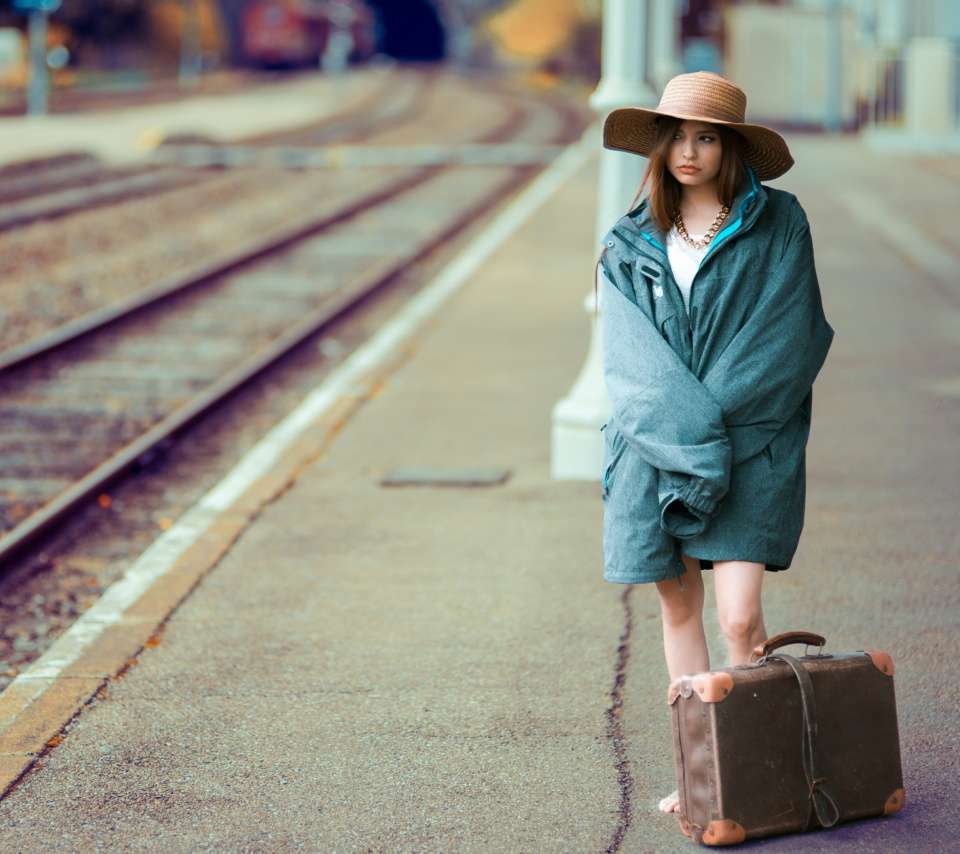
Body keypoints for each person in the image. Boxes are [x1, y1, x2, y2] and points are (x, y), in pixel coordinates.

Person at [596, 72, 834, 814]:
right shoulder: (627, 241)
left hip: (750, 446)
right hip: (651, 455)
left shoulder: (780, 224)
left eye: (706, 137)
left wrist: (707, 439)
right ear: (659, 146)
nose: (688, 151)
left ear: (731, 147)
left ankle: (757, 764)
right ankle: (702, 773)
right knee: (677, 610)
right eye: (677, 136)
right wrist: (684, 441)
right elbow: (632, 367)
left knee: (738, 617)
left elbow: (786, 344)